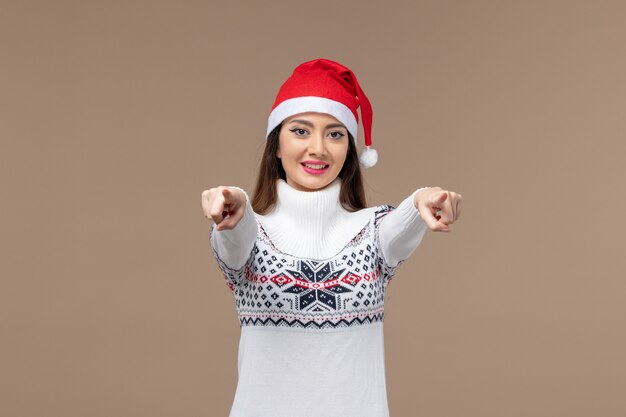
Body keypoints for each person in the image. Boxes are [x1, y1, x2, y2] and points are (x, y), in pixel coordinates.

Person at [201, 58, 462, 417]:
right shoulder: (250, 232)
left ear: (351, 150)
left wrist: (424, 200)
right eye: (301, 131)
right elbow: (236, 237)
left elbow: (404, 222)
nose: (319, 148)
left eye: (336, 133)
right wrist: (236, 204)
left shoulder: (373, 232)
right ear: (275, 144)